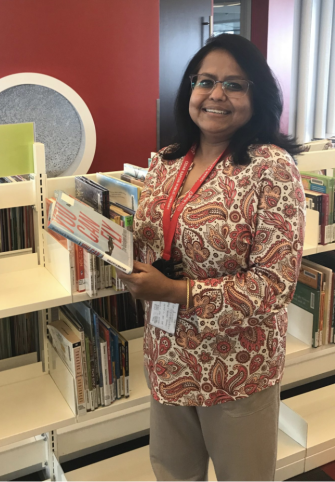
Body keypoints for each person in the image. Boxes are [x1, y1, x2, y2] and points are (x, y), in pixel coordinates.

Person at [117, 34, 306, 481]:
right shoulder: (165, 160)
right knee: (172, 472)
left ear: (256, 96)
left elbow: (275, 284)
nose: (216, 95)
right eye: (206, 81)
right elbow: (154, 240)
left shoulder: (271, 168)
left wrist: (177, 291)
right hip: (169, 353)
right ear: (189, 89)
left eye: (235, 85)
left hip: (238, 364)